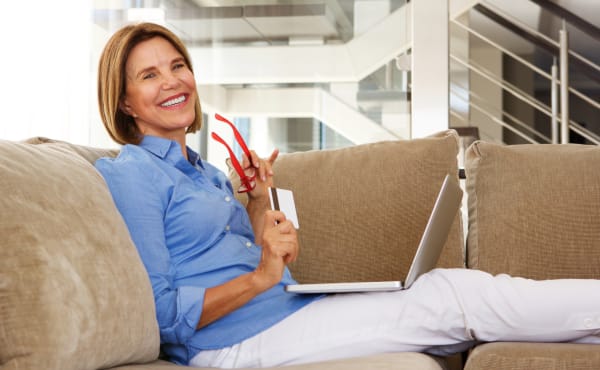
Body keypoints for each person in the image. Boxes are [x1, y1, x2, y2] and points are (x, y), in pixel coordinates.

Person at [95, 22, 600, 368]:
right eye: (149, 75)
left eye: (177, 65)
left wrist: (256, 198)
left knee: (452, 292)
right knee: (453, 297)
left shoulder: (201, 169)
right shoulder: (133, 173)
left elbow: (226, 253)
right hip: (231, 344)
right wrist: (263, 275)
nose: (172, 81)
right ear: (124, 101)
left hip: (284, 312)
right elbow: (162, 314)